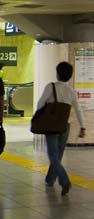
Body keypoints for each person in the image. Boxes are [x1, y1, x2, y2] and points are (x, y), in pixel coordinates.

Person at [37, 61, 85, 195]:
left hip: (52, 125)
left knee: (53, 155)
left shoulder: (51, 87)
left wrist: (39, 116)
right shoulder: (71, 91)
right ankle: (50, 179)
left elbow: (40, 103)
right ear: (70, 76)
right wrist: (82, 127)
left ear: (57, 73)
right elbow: (78, 109)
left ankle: (64, 180)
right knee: (58, 154)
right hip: (65, 126)